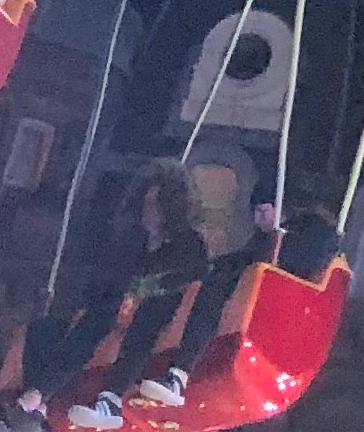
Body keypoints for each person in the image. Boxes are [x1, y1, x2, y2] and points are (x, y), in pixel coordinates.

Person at [0, 159, 206, 432]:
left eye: (154, 204)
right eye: (146, 203)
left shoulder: (188, 243)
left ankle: (39, 400)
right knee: (52, 328)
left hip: (158, 312)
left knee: (99, 324)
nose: (148, 211)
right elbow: (109, 279)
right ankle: (33, 402)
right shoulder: (133, 242)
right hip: (116, 308)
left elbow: (191, 278)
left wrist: (147, 288)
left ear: (171, 207)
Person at [115, 173, 343, 413]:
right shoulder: (266, 239)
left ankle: (180, 371)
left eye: (262, 211)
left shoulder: (310, 233)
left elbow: (297, 259)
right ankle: (161, 374)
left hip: (282, 304)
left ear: (281, 208)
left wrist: (273, 246)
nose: (257, 220)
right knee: (203, 286)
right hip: (262, 298)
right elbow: (239, 260)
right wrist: (207, 269)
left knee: (211, 293)